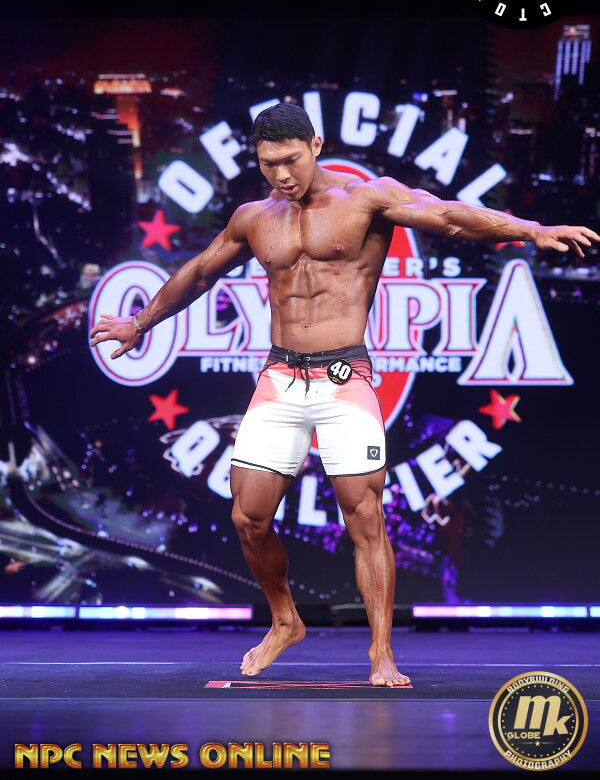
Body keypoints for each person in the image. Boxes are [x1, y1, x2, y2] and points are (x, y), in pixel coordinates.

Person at [90, 103, 598, 687]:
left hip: (343, 378)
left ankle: (381, 653)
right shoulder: (255, 217)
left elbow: (450, 216)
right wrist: (140, 323)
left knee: (365, 517)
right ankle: (286, 620)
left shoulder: (366, 199)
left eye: (291, 159)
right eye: (268, 164)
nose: (282, 174)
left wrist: (531, 229)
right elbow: (202, 272)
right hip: (280, 378)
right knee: (248, 517)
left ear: (315, 144)